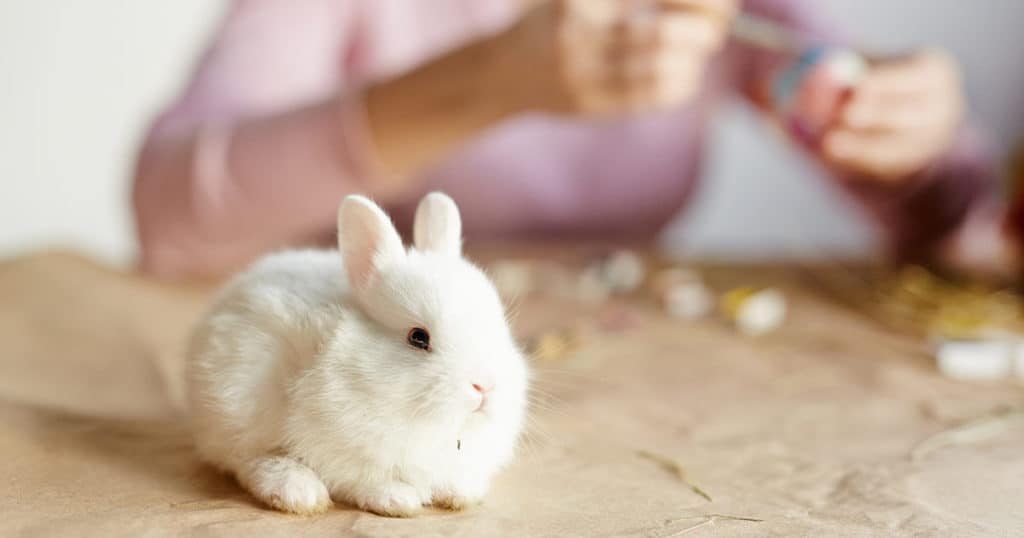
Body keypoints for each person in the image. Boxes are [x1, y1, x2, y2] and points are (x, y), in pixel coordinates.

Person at [133, 0, 1007, 278]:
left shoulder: (724, 14)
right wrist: (484, 84)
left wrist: (910, 138)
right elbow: (170, 224)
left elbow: (967, 220)